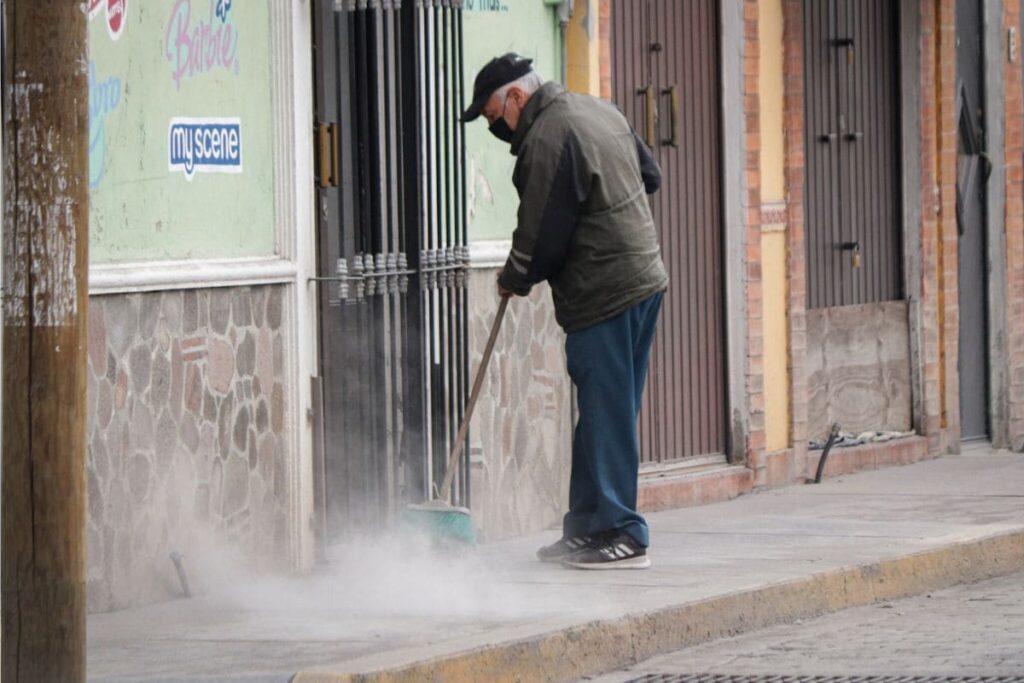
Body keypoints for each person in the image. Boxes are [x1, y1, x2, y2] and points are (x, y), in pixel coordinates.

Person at [462, 53, 667, 570]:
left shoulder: (549, 137)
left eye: (492, 117)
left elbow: (540, 231)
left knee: (607, 411)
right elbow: (649, 173)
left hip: (605, 291)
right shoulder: (599, 110)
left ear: (516, 97)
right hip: (643, 278)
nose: (495, 129)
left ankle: (623, 531)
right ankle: (588, 527)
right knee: (603, 410)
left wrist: (515, 276)